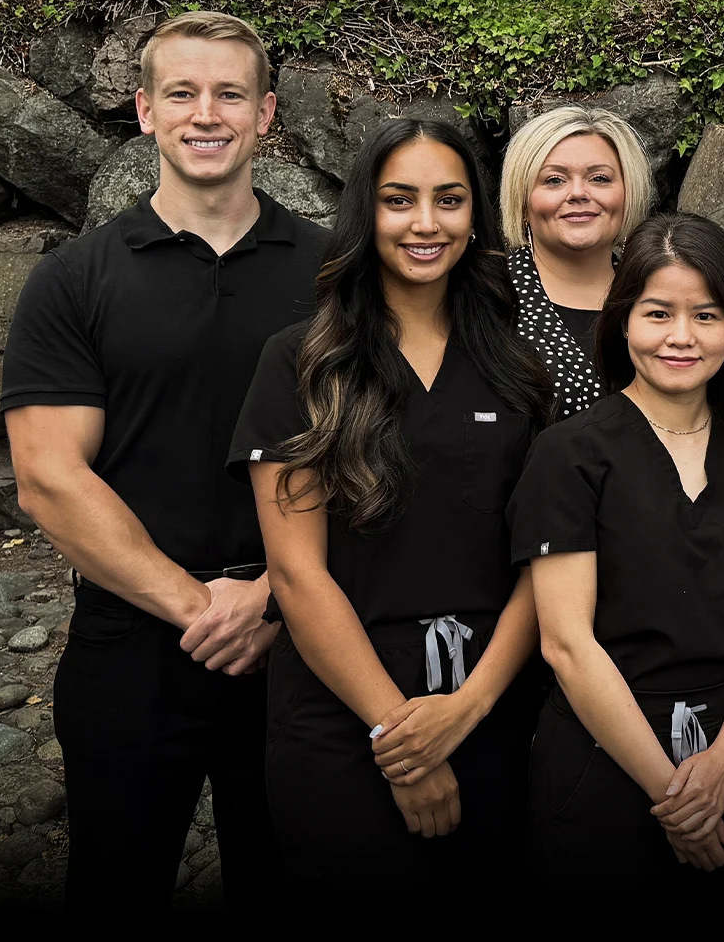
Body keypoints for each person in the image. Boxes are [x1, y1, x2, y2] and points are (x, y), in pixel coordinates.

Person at [2, 11, 323, 910]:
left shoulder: (334, 271)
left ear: (266, 115)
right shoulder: (76, 277)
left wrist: (269, 596)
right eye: (182, 92)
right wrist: (199, 609)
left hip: (302, 634)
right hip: (132, 643)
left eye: (230, 93)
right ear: (145, 112)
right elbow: (50, 479)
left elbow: (369, 450)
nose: (205, 112)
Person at [231, 118, 552, 903]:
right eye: (398, 200)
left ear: (475, 214)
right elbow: (297, 575)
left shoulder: (517, 363)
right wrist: (398, 735)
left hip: (492, 701)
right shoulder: (302, 360)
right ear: (364, 214)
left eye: (448, 200)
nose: (425, 223)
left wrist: (468, 710)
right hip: (342, 710)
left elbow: (544, 560)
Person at [513, 213, 724, 905]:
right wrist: (673, 796)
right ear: (623, 319)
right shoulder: (570, 453)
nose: (681, 337)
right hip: (604, 762)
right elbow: (566, 643)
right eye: (658, 313)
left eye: (706, 315)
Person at [500, 105, 655, 420]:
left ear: (628, 193)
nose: (578, 193)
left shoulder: (657, 289)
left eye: (599, 178)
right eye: (554, 180)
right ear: (523, 199)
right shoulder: (490, 298)